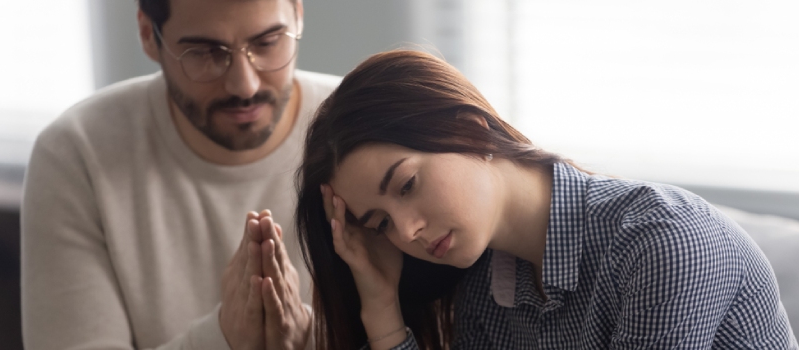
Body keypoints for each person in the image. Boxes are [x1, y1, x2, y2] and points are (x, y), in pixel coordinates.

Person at [295, 50, 798, 349]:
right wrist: (382, 308)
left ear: (469, 130)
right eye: (381, 223)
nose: (406, 232)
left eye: (406, 185)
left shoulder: (663, 242)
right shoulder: (488, 295)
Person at [21, 0, 339, 349]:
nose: (244, 86)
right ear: (148, 35)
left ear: (298, 15)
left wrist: (310, 336)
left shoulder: (363, 129)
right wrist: (222, 338)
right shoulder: (77, 153)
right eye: (205, 52)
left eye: (267, 43)